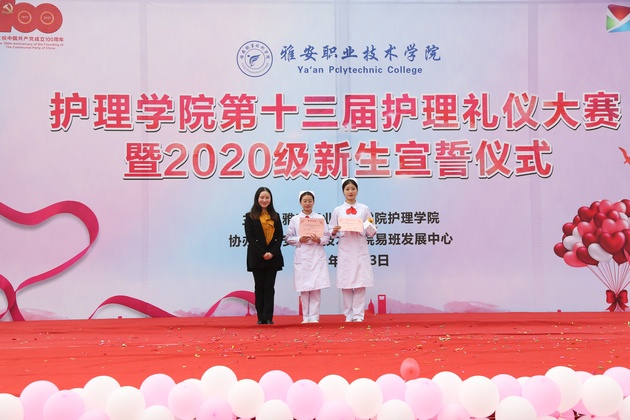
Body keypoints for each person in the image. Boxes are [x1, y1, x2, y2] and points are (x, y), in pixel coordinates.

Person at [330, 178, 376, 322]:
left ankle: (358, 315)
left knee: (360, 283)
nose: (350, 191)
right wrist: (334, 230)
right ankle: (348, 315)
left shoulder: (364, 209)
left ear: (357, 190)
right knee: (346, 283)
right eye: (347, 189)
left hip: (360, 248)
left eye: (353, 188)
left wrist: (368, 226)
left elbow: (371, 231)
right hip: (345, 249)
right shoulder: (338, 210)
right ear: (343, 191)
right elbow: (331, 230)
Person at [285, 191, 331, 323]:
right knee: (304, 289)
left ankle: (314, 316)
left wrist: (318, 240)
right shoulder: (295, 219)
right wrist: (299, 239)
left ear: (313, 202)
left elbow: (327, 237)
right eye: (304, 201)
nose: (307, 203)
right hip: (303, 255)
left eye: (310, 201)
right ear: (300, 202)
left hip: (316, 254)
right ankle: (305, 316)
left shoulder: (320, 218)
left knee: (316, 287)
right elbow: (288, 238)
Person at [244, 187, 284, 325]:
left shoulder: (275, 216)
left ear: (271, 199)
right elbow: (250, 237)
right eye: (262, 197)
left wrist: (271, 252)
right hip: (257, 257)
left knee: (269, 287)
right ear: (257, 199)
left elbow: (279, 237)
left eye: (267, 197)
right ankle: (261, 317)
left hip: (273, 257)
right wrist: (262, 253)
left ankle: (269, 317)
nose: (264, 200)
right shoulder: (250, 216)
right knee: (259, 287)